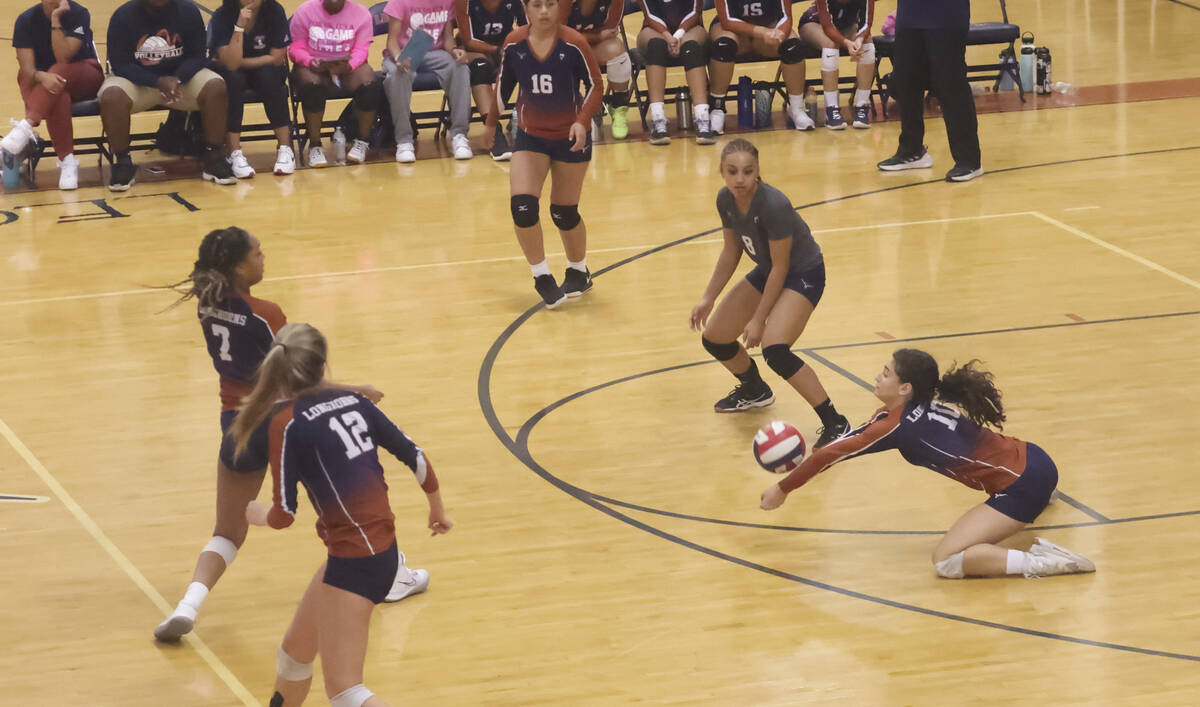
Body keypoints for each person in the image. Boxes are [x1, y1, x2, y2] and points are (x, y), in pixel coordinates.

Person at [153, 227, 428, 644]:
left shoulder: (206, 306)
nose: (264, 258)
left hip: (237, 425)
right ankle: (389, 577)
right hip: (285, 425)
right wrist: (353, 392)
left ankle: (187, 606)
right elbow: (294, 381)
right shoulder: (266, 313)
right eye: (257, 254)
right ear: (238, 266)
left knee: (226, 533)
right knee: (353, 494)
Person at [236, 322, 453, 707]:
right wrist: (437, 510)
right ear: (323, 366)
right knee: (294, 653)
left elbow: (285, 513)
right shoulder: (357, 403)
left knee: (346, 691)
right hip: (375, 551)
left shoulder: (286, 426)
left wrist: (259, 514)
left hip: (356, 559)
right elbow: (415, 457)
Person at [760, 348, 1097, 580]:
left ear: (905, 388)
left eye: (886, 373)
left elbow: (829, 454)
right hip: (1036, 457)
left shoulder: (897, 425)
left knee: (947, 560)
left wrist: (782, 487)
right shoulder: (909, 408)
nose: (878, 377)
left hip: (1023, 486)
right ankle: (1042, 496)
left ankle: (1048, 562)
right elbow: (844, 445)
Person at [689, 139, 849, 447]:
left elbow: (781, 266)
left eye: (748, 172)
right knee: (715, 337)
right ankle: (754, 390)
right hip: (768, 271)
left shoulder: (774, 205)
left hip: (802, 274)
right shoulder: (725, 199)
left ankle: (836, 422)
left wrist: (759, 319)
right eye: (732, 172)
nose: (740, 179)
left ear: (758, 171)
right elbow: (731, 251)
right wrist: (707, 297)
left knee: (775, 350)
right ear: (721, 171)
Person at [483, 0, 603, 309]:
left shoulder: (574, 43)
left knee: (563, 212)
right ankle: (542, 277)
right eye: (537, 4)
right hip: (531, 136)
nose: (544, 11)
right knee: (522, 207)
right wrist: (490, 124)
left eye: (550, 4)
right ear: (526, 8)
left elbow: (595, 87)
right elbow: (502, 86)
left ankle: (578, 270)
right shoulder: (514, 43)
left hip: (570, 137)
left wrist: (581, 121)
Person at [100, 0, 236, 191]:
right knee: (111, 96)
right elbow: (120, 64)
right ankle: (123, 162)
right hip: (138, 82)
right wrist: (156, 82)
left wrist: (178, 78)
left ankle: (213, 156)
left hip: (180, 81)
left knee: (215, 86)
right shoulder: (123, 15)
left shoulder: (188, 11)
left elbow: (197, 56)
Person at [2, 0, 104, 190]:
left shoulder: (79, 13)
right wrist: (43, 76)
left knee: (58, 70)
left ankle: (25, 127)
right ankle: (68, 162)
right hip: (47, 86)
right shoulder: (25, 20)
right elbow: (27, 70)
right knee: (59, 95)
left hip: (85, 76)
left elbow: (63, 57)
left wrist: (56, 20)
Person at [876, 0, 982, 182]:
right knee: (905, 79)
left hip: (946, 15)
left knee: (949, 82)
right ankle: (912, 150)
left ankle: (969, 160)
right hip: (910, 15)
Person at [208, 0, 296, 177]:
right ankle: (235, 153)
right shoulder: (222, 16)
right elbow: (231, 63)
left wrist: (242, 63)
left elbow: (278, 58)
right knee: (232, 80)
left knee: (270, 78)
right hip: (233, 74)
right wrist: (239, 26)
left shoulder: (274, 11)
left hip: (263, 70)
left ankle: (285, 149)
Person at [289, 0, 381, 167]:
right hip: (314, 66)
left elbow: (361, 49)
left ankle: (362, 141)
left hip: (346, 66)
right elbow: (295, 48)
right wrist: (310, 61)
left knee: (369, 82)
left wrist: (349, 66)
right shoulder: (304, 11)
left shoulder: (361, 13)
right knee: (311, 86)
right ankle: (315, 145)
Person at [383, 0, 473, 163]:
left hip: (435, 53)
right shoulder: (399, 2)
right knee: (398, 75)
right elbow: (392, 41)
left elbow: (447, 38)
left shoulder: (448, 2)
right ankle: (404, 141)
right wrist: (398, 59)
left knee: (461, 68)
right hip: (404, 53)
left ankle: (459, 135)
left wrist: (454, 50)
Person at [707, 0, 813, 134]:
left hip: (767, 30)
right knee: (724, 45)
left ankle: (797, 108)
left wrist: (778, 33)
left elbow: (785, 17)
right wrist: (761, 31)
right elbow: (726, 20)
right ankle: (717, 109)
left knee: (793, 47)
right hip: (734, 31)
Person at [454, 0, 527, 160]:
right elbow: (468, 41)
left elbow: (527, 30)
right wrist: (497, 50)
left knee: (528, 59)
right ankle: (494, 132)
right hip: (475, 50)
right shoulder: (464, 2)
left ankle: (525, 118)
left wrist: (513, 49)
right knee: (480, 65)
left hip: (504, 48)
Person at [635, 0, 713, 145]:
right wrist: (668, 36)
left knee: (691, 47)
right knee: (656, 46)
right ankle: (658, 119)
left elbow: (695, 11)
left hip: (690, 27)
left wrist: (678, 35)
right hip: (654, 28)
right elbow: (650, 13)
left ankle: (702, 118)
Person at [796, 0, 875, 130]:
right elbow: (827, 27)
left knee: (867, 45)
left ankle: (862, 106)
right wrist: (848, 43)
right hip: (815, 24)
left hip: (847, 25)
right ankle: (831, 110)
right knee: (831, 45)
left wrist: (859, 40)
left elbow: (866, 23)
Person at [559, 0, 632, 139]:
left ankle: (618, 106)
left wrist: (587, 37)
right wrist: (597, 35)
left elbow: (610, 31)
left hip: (596, 46)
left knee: (618, 52)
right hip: (568, 47)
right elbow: (560, 33)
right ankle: (568, 110)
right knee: (556, 55)